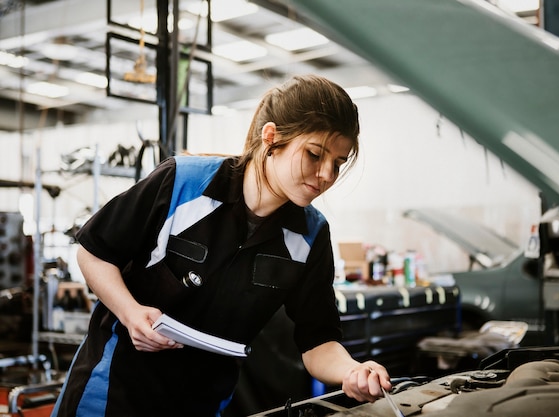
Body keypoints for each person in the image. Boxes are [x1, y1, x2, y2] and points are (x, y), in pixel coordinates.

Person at [51, 74, 392, 417]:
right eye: (315, 155)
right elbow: (94, 251)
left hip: (202, 404)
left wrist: (353, 372)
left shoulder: (310, 235)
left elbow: (318, 341)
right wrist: (130, 312)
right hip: (112, 392)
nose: (327, 175)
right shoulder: (183, 182)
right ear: (271, 138)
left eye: (338, 163)